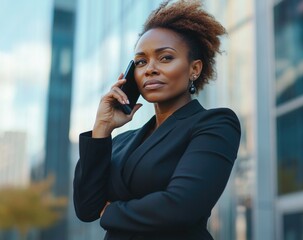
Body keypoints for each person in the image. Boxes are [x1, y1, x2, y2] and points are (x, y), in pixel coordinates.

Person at [73, 0, 241, 239]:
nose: (150, 69)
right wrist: (102, 128)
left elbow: (182, 205)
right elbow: (87, 208)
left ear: (194, 69)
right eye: (141, 62)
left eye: (165, 58)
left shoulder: (215, 124)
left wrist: (111, 212)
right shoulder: (122, 142)